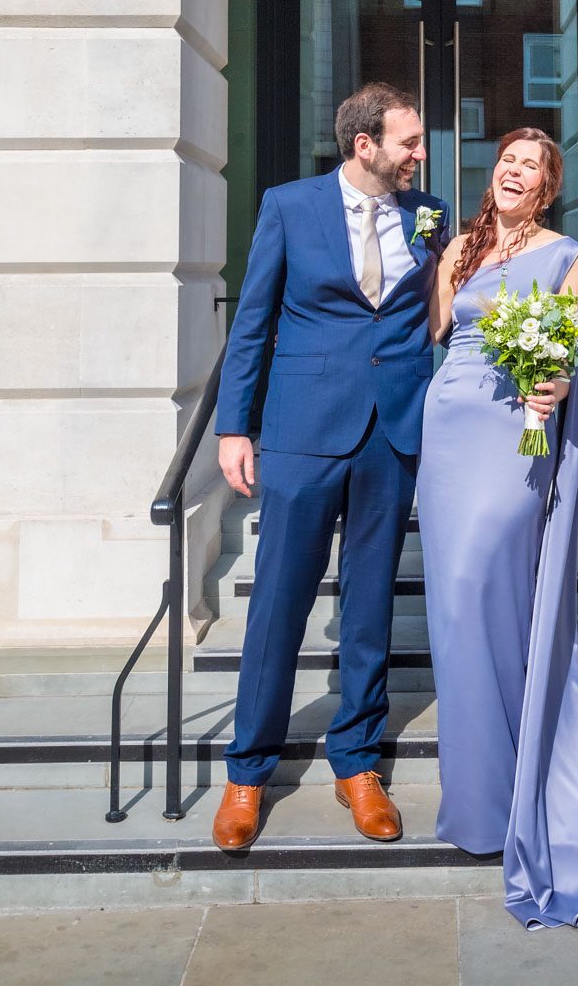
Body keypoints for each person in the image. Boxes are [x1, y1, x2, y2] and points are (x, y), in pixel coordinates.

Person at [417, 128, 578, 927]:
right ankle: (479, 796)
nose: (513, 170)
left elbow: (567, 351)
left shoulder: (569, 255)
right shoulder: (459, 246)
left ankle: (524, 767)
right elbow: (436, 330)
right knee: (453, 611)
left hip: (513, 440)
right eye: (506, 160)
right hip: (448, 429)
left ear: (548, 187)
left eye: (529, 165)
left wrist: (551, 381)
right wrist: (432, 252)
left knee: (481, 588)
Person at [211, 82, 450, 852]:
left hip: (393, 432)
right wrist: (233, 428)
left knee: (371, 606)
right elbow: (253, 322)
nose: (421, 154)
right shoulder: (289, 206)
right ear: (365, 145)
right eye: (409, 142)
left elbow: (445, 309)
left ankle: (358, 764)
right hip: (302, 432)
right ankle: (247, 773)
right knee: (278, 602)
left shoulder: (428, 214)